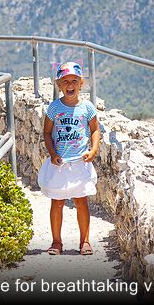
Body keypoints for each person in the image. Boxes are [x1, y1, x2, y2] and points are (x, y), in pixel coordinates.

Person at [38, 61, 100, 256]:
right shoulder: (54, 108)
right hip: (60, 163)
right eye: (65, 81)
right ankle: (56, 242)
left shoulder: (87, 108)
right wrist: (53, 154)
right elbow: (47, 133)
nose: (70, 85)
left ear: (81, 84)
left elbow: (95, 129)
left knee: (81, 201)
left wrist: (94, 150)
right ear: (59, 85)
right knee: (57, 202)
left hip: (80, 162)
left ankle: (85, 241)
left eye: (74, 81)